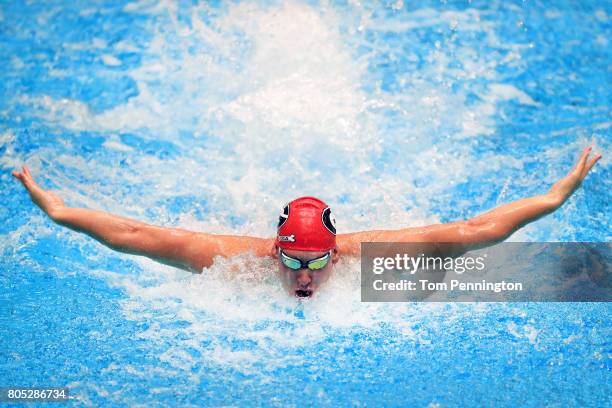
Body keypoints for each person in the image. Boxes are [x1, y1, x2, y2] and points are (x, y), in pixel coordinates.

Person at [12, 146, 601, 298]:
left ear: (336, 251)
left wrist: (558, 193)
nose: (303, 277)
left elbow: (478, 231)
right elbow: (137, 237)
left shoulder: (367, 256)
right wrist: (57, 210)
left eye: (316, 262)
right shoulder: (231, 259)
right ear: (274, 249)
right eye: (292, 260)